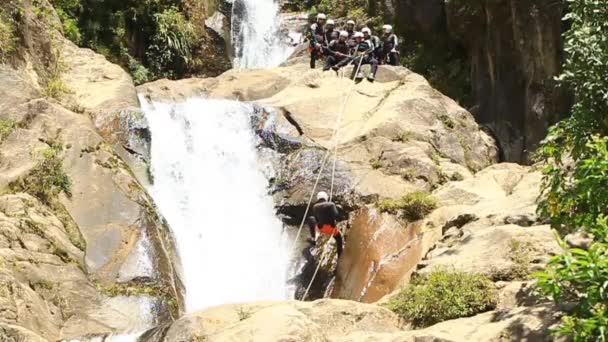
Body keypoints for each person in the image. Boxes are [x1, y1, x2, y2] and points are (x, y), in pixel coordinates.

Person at [308, 191, 343, 256]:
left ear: (318, 198)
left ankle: (313, 238)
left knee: (311, 218)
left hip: (320, 228)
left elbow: (316, 219)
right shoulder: (331, 204)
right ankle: (340, 254)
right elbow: (336, 216)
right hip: (331, 229)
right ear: (325, 197)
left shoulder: (315, 207)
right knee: (339, 239)